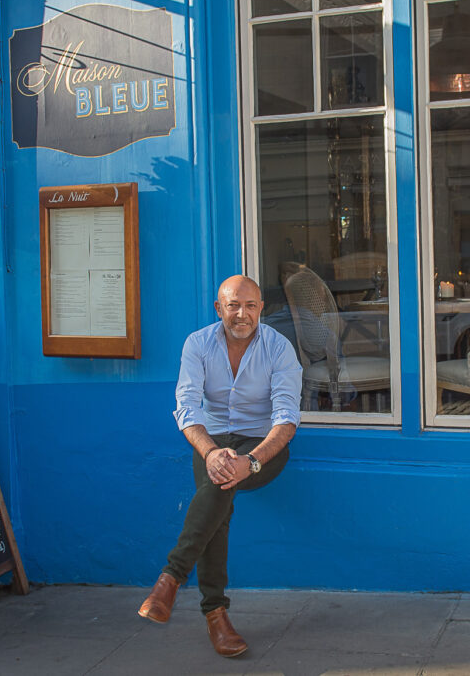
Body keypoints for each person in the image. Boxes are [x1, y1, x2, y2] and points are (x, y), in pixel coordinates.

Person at [138, 275, 302, 657]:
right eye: (232, 305)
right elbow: (187, 407)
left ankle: (171, 580)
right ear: (219, 309)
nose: (241, 314)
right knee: (219, 494)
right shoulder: (197, 344)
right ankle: (216, 615)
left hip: (263, 446)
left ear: (261, 308)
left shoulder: (279, 349)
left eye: (250, 306)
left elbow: (286, 420)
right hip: (213, 442)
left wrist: (252, 461)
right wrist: (212, 453)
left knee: (217, 489)